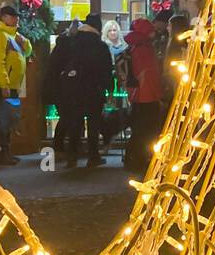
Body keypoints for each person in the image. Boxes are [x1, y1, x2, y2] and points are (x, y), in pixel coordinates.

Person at [63, 14, 114, 169]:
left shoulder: (74, 43)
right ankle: (93, 156)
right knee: (94, 124)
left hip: (75, 89)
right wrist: (110, 89)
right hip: (94, 91)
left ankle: (72, 157)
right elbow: (106, 70)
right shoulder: (101, 46)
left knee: (75, 124)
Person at [0, 4, 32, 165]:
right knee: (3, 120)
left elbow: (27, 53)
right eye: (13, 17)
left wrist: (25, 42)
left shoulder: (14, 36)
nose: (16, 19)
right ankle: (0, 154)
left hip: (11, 85)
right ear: (3, 18)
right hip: (2, 86)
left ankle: (6, 153)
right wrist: (4, 84)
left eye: (17, 17)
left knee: (9, 118)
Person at [123, 18, 164, 173]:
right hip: (148, 95)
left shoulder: (134, 46)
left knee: (138, 130)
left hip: (137, 95)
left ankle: (132, 159)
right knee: (146, 131)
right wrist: (159, 94)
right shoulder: (145, 48)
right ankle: (139, 160)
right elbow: (150, 74)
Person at [42, 18, 79, 155]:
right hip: (63, 88)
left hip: (57, 87)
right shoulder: (69, 47)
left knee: (66, 116)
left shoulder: (60, 45)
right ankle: (60, 146)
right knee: (68, 116)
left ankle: (60, 145)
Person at [163, 12, 191, 104]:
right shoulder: (172, 42)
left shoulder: (179, 43)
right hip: (172, 79)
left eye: (169, 26)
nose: (167, 28)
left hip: (177, 79)